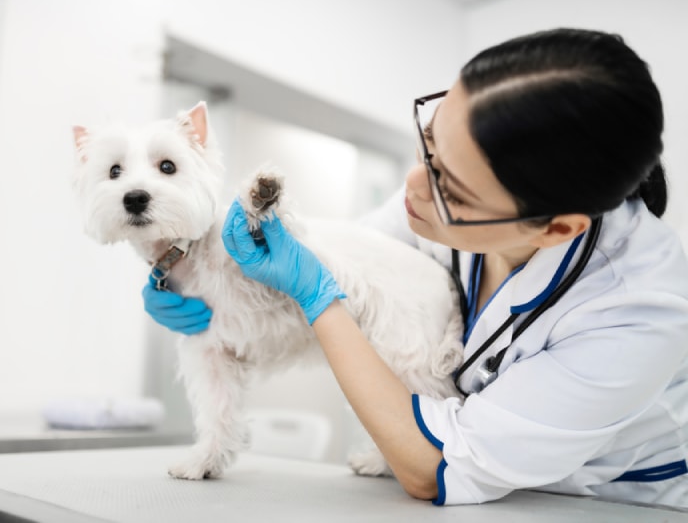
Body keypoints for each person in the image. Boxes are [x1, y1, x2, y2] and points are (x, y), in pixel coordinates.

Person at [143, 28, 688, 507]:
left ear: (556, 229)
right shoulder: (441, 203)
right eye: (430, 144)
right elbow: (351, 262)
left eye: (451, 187)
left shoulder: (636, 311)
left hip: (605, 503)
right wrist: (199, 279)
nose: (413, 186)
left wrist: (318, 298)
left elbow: (434, 469)